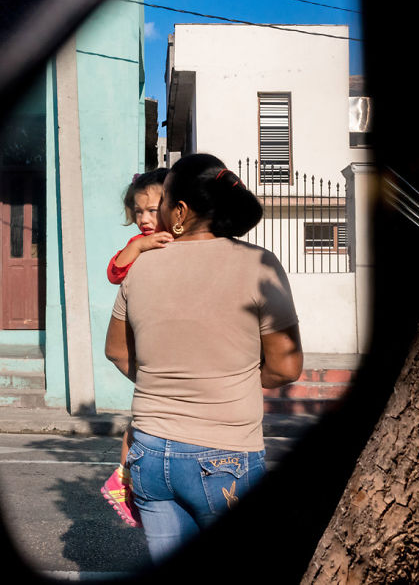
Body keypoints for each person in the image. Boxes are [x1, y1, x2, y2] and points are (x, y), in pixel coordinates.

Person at [104, 153, 303, 562]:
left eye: (160, 204)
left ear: (179, 211)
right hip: (226, 455)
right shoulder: (258, 264)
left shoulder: (140, 268)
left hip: (149, 453)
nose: (152, 214)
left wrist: (165, 382)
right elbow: (286, 366)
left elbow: (115, 351)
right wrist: (229, 378)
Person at [101, 168, 172, 528]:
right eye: (138, 211)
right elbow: (115, 272)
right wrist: (138, 245)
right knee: (136, 424)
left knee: (144, 421)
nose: (144, 219)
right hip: (141, 336)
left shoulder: (183, 240)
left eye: (152, 210)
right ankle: (126, 481)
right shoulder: (138, 245)